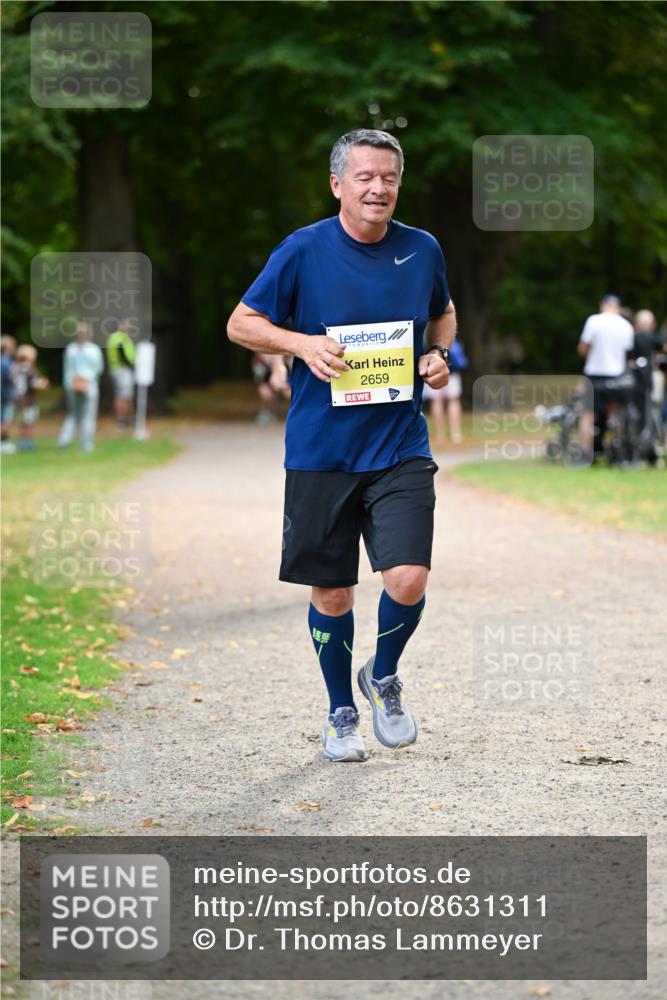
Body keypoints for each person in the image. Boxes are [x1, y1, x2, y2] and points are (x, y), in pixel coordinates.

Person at [228, 128, 456, 762]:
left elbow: (444, 313)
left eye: (388, 177)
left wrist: (438, 355)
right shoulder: (303, 250)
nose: (378, 188)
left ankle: (382, 676)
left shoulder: (422, 248)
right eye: (365, 177)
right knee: (332, 593)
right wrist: (301, 344)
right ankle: (340, 711)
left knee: (407, 578)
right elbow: (241, 323)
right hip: (321, 450)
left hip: (400, 443)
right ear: (338, 185)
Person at [577, 294, 634, 459]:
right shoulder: (626, 325)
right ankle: (619, 454)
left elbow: (583, 348)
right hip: (617, 377)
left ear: (602, 305)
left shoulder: (594, 320)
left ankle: (585, 454)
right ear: (618, 307)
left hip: (594, 375)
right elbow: (627, 353)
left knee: (587, 415)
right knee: (617, 414)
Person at [58, 322, 104, 453]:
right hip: (88, 385)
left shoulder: (70, 349)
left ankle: (64, 441)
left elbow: (67, 370)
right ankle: (86, 445)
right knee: (88, 415)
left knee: (74, 414)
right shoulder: (93, 350)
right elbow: (98, 368)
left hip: (71, 385)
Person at [422, 337, 467, 445]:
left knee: (437, 401)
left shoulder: (425, 336)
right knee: (453, 401)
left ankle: (440, 434)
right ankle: (455, 433)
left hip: (433, 371)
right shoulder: (448, 333)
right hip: (451, 372)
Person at [12, 344, 49, 452]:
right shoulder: (28, 369)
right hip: (28, 400)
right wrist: (43, 384)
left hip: (19, 399)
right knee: (29, 422)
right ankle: (27, 444)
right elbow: (34, 384)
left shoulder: (16, 367)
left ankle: (21, 442)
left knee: (23, 422)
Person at [106, 320, 137, 428]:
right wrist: (132, 365)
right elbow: (122, 354)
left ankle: (127, 419)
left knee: (123, 395)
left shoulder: (114, 337)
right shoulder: (120, 338)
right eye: (126, 324)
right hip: (122, 370)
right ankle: (124, 420)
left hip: (117, 369)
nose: (129, 326)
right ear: (120, 325)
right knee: (123, 397)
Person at [252, 352, 291, 424]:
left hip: (284, 381)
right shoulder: (261, 361)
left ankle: (296, 411)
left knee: (289, 393)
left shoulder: (288, 358)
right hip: (269, 382)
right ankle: (266, 412)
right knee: (264, 392)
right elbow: (259, 379)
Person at [1, 335, 17, 454]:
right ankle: (4, 443)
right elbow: (11, 378)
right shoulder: (6, 362)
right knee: (5, 420)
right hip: (6, 396)